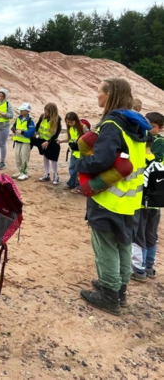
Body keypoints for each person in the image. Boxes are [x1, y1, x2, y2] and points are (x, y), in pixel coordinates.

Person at [76, 78, 150, 315]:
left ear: (109, 95)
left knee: (106, 244)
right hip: (130, 200)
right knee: (123, 244)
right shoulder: (137, 125)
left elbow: (101, 159)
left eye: (99, 91)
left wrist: (81, 163)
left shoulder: (111, 124)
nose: (97, 95)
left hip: (108, 197)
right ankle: (120, 290)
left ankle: (109, 293)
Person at [131, 111, 164, 281]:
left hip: (142, 199)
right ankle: (149, 266)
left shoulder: (143, 152)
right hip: (157, 199)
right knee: (151, 234)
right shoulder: (159, 152)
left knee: (139, 234)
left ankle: (139, 269)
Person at [32, 103, 62, 185]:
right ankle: (47, 174)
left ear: (52, 112)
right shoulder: (42, 116)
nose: (45, 113)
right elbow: (37, 125)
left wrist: (48, 142)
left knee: (53, 159)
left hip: (52, 142)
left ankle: (56, 175)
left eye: (47, 111)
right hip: (42, 140)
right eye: (45, 110)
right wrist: (35, 132)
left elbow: (56, 133)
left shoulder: (57, 119)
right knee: (45, 157)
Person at [63, 112, 89, 194]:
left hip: (81, 153)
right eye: (68, 122)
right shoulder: (70, 128)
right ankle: (72, 183)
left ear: (76, 120)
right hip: (73, 151)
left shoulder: (83, 127)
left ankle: (78, 187)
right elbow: (69, 138)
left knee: (78, 170)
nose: (69, 124)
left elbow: (89, 138)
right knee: (72, 168)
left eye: (71, 122)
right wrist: (61, 141)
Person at [10, 103, 35, 180]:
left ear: (27, 111)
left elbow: (31, 132)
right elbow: (14, 127)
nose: (20, 111)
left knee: (24, 156)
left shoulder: (30, 121)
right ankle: (19, 171)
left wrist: (22, 132)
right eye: (20, 110)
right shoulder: (18, 119)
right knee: (17, 156)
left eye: (22, 110)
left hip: (26, 142)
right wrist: (14, 130)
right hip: (17, 141)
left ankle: (24, 173)